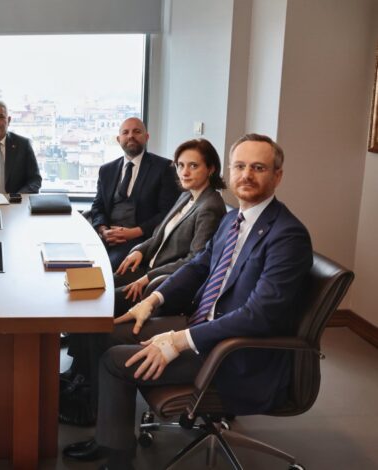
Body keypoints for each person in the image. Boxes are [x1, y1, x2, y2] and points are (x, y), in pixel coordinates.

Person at [63, 134, 313, 469]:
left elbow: (259, 315)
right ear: (229, 170)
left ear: (277, 176)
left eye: (258, 168)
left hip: (234, 352)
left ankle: (117, 458)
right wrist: (154, 299)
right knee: (105, 333)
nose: (246, 175)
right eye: (240, 166)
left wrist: (180, 340)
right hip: (204, 327)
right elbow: (198, 266)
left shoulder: (287, 236)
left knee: (114, 361)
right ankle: (108, 437)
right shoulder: (233, 219)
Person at [61, 138, 227, 425]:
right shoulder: (187, 196)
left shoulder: (210, 206)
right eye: (181, 165)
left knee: (94, 304)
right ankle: (80, 373)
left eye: (193, 166)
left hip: (163, 283)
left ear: (211, 169)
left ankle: (90, 400)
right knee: (85, 290)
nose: (185, 172)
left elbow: (196, 260)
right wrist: (139, 249)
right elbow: (158, 235)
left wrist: (149, 276)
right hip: (149, 268)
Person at [90, 117, 180, 270]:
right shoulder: (106, 170)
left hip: (139, 239)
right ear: (119, 139)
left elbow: (167, 213)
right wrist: (103, 230)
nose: (131, 136)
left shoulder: (164, 167)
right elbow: (98, 206)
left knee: (106, 268)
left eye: (137, 131)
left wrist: (133, 233)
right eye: (125, 132)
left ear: (146, 137)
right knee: (80, 261)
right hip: (107, 237)